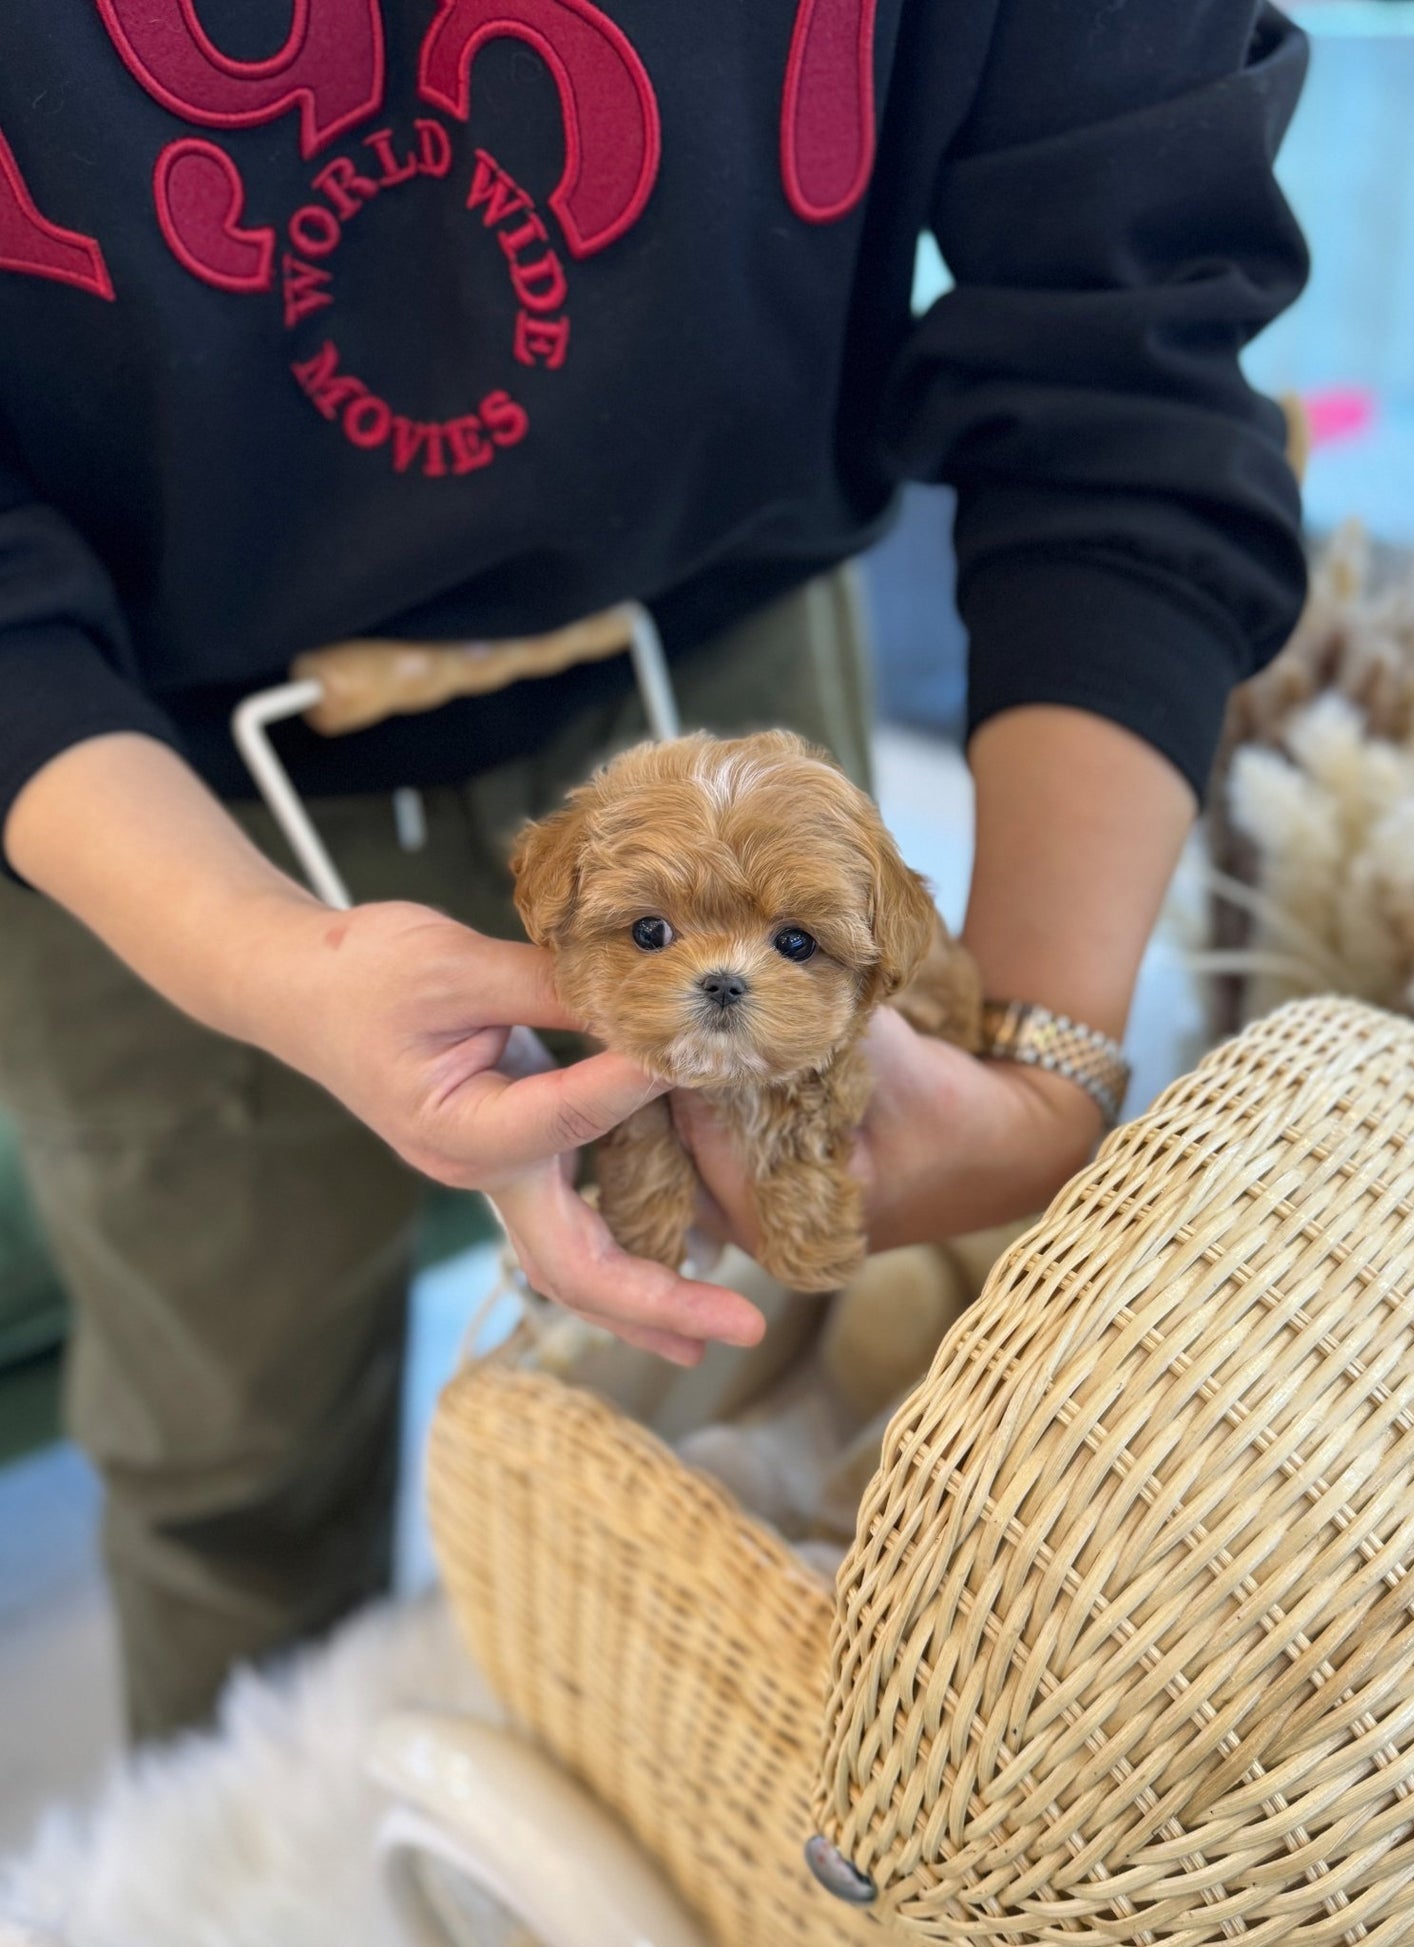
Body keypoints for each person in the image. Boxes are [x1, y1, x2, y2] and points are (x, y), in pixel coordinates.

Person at [0, 0, 1309, 1740]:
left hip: (725, 668)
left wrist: (1049, 1057)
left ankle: (655, 1783)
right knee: (229, 1453)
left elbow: (1125, 344)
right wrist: (249, 955)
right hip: (134, 771)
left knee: (739, 1380)